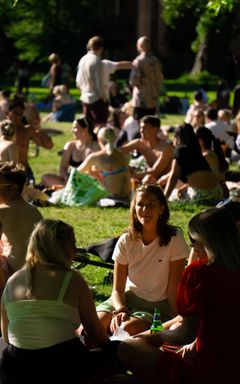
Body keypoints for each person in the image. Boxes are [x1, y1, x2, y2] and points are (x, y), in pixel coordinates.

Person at [117, 207, 240, 384]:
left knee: (127, 346)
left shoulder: (201, 274)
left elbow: (185, 334)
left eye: (193, 241)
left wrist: (155, 336)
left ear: (202, 241)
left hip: (209, 371)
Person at [0, 218, 120, 384]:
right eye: (73, 245)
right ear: (59, 248)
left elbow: (6, 336)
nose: (75, 251)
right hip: (60, 365)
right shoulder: (71, 279)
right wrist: (113, 348)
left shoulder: (13, 280)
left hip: (16, 368)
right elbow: (96, 333)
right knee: (115, 350)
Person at [97, 184, 189, 336]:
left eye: (150, 205)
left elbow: (173, 289)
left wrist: (177, 319)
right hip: (125, 300)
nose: (145, 210)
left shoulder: (174, 239)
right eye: (140, 205)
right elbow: (118, 289)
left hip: (155, 307)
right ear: (134, 208)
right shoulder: (126, 239)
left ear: (161, 208)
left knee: (124, 331)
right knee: (91, 327)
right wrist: (120, 309)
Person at [0, 161, 42, 289]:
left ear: (13, 188)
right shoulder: (34, 210)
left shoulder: (3, 211)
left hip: (13, 274)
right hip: (37, 273)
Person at [162, 123, 223, 203]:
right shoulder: (197, 151)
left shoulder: (180, 151)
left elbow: (173, 177)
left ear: (178, 139)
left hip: (201, 195)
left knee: (174, 194)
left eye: (174, 138)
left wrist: (164, 199)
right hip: (217, 192)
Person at [41, 117, 99, 188]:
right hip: (69, 180)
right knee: (45, 178)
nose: (72, 131)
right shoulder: (70, 146)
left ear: (85, 129)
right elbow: (63, 168)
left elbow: (97, 171)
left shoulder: (96, 146)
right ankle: (68, 188)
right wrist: (67, 179)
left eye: (75, 128)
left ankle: (66, 188)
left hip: (88, 181)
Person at [6, 99, 53, 183]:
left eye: (21, 114)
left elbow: (49, 146)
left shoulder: (27, 130)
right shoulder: (1, 131)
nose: (18, 117)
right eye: (16, 113)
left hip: (24, 172)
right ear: (7, 113)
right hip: (4, 172)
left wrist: (39, 129)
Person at [77, 126, 131, 200]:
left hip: (113, 197)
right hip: (127, 195)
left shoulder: (95, 157)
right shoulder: (122, 154)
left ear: (99, 140)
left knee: (89, 171)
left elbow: (77, 173)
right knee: (95, 171)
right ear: (114, 139)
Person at [120, 115, 174, 184]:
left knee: (148, 178)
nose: (141, 131)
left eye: (144, 128)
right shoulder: (140, 143)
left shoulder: (166, 147)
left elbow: (155, 172)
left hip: (163, 181)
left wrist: (130, 176)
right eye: (140, 128)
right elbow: (118, 151)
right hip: (148, 178)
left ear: (155, 129)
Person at [76, 36, 108, 127]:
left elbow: (78, 83)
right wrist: (104, 97)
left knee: (87, 127)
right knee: (100, 126)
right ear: (101, 48)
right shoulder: (97, 61)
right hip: (96, 98)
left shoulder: (82, 59)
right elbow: (99, 83)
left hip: (84, 97)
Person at [129, 36, 163, 120]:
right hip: (153, 99)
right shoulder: (156, 61)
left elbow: (133, 81)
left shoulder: (138, 61)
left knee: (139, 124)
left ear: (140, 45)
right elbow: (160, 79)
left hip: (141, 100)